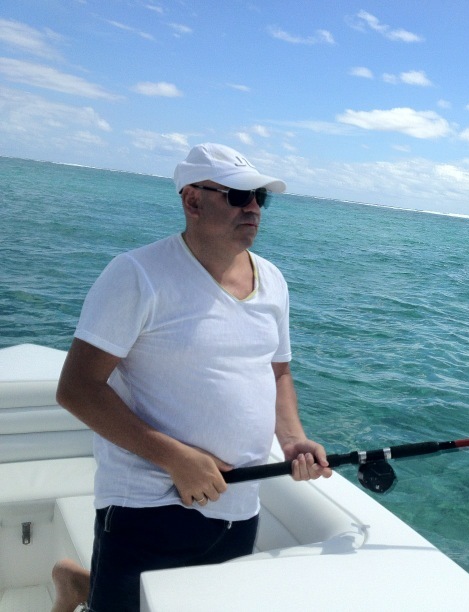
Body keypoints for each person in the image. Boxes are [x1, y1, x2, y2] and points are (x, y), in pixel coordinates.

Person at [51, 143, 332, 612]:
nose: (253, 208)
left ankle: (82, 585)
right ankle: (85, 589)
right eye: (238, 196)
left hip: (240, 501)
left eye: (261, 197)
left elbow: (278, 371)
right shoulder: (137, 275)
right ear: (193, 200)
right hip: (149, 502)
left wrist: (292, 439)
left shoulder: (273, 280)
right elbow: (77, 389)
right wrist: (175, 459)